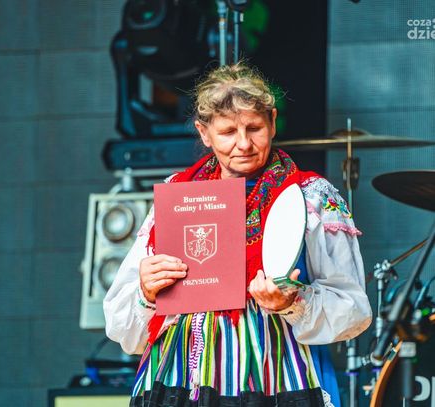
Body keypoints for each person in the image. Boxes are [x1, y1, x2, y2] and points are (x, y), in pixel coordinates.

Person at [104, 62, 372, 407]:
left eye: (254, 128)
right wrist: (146, 290)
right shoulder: (177, 194)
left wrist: (292, 302)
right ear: (204, 133)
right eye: (228, 131)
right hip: (179, 377)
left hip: (276, 375)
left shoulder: (311, 196)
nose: (243, 144)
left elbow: (353, 309)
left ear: (272, 122)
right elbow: (124, 329)